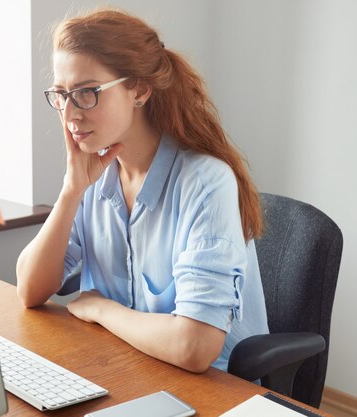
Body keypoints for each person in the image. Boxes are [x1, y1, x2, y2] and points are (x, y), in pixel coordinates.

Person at [16, 8, 269, 373]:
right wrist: (71, 192)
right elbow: (29, 290)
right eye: (61, 94)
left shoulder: (205, 183)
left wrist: (102, 309)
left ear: (140, 89)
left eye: (87, 93)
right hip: (129, 368)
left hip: (216, 391)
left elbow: (195, 346)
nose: (69, 113)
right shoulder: (94, 177)